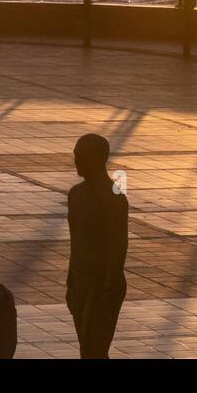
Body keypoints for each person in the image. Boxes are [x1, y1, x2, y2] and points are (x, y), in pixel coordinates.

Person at [66, 133, 128, 358]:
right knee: (87, 349)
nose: (76, 161)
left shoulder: (114, 198)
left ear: (99, 159)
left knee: (94, 349)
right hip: (80, 282)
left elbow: (119, 245)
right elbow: (76, 241)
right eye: (75, 155)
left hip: (102, 284)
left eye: (81, 156)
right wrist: (71, 281)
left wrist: (108, 285)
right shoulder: (75, 195)